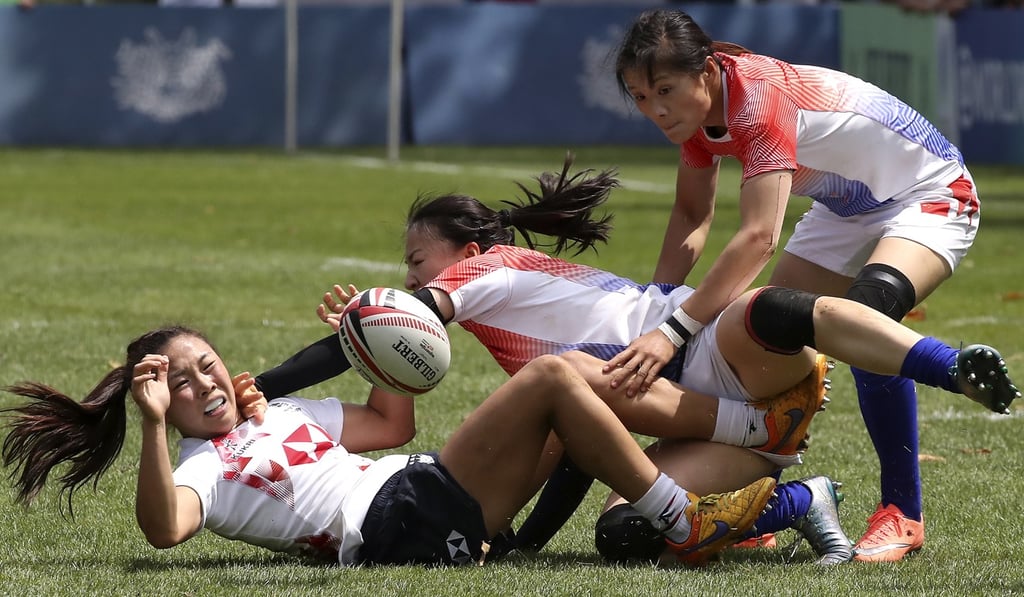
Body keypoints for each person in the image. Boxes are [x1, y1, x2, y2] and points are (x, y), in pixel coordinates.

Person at [256, 157, 1017, 564]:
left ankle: (949, 365)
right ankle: (799, 500)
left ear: (467, 253)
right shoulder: (515, 330)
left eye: (417, 260)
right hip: (722, 423)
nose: (414, 278)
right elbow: (576, 442)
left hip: (717, 358)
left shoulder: (483, 273)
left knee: (776, 307)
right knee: (626, 536)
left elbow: (411, 323)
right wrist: (523, 544)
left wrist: (264, 381)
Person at [607, 9, 1015, 561]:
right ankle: (763, 500)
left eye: (664, 90)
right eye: (638, 96)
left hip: (928, 191)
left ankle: (902, 514)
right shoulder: (701, 114)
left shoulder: (756, 99)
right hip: (845, 206)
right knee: (764, 351)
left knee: (864, 322)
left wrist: (674, 332)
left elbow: (756, 238)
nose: (655, 109)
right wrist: (654, 307)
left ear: (705, 71)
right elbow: (689, 215)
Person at [0, 325, 778, 566]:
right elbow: (164, 527)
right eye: (180, 382)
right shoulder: (204, 462)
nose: (202, 383)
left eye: (205, 363)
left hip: (415, 488)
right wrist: (153, 428)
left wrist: (372, 342)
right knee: (551, 376)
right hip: (393, 520)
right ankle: (685, 516)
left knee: (575, 367)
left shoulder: (275, 411)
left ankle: (746, 429)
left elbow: (390, 425)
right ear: (161, 397)